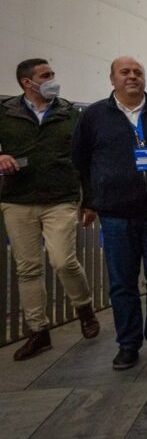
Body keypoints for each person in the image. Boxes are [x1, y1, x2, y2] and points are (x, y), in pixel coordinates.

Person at [72, 56, 147, 370]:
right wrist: (91, 200)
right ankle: (128, 344)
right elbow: (79, 160)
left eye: (138, 72)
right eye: (125, 72)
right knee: (122, 283)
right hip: (116, 215)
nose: (132, 76)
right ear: (112, 79)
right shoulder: (94, 115)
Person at [1, 58, 100, 361]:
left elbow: (87, 158)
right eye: (45, 76)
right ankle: (38, 331)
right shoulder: (5, 113)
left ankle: (84, 308)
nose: (52, 79)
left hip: (61, 197)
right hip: (17, 199)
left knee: (63, 260)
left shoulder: (70, 113)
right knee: (28, 268)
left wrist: (89, 200)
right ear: (26, 83)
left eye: (53, 74)